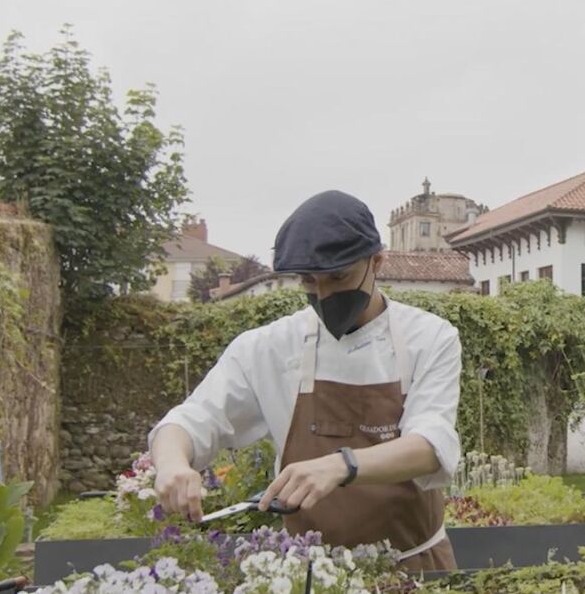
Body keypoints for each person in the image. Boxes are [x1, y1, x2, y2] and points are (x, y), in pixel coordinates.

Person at [148, 190, 462, 572]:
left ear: (376, 262)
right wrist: (172, 464)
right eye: (309, 282)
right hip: (309, 574)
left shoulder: (429, 338)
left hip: (413, 567)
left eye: (338, 277)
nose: (324, 294)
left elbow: (429, 445)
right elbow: (192, 419)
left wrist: (341, 466)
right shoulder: (270, 347)